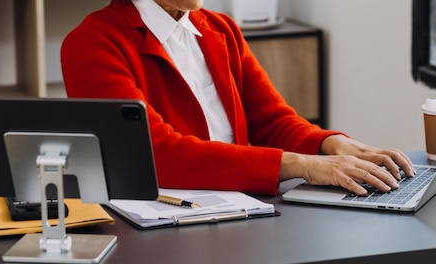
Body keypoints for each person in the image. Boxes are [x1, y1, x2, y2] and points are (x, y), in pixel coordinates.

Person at [61, 0, 415, 197]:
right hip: (164, 219)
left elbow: (273, 122)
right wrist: (303, 165)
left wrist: (331, 145)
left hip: (243, 204)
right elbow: (155, 154)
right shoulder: (92, 43)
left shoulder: (221, 29)